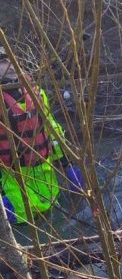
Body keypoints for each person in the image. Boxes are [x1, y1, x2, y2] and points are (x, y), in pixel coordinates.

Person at [0, 49, 83, 224]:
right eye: (3, 62)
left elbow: (50, 128)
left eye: (11, 59)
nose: (10, 65)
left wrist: (67, 162)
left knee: (54, 222)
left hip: (47, 180)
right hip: (13, 185)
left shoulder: (35, 92)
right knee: (24, 227)